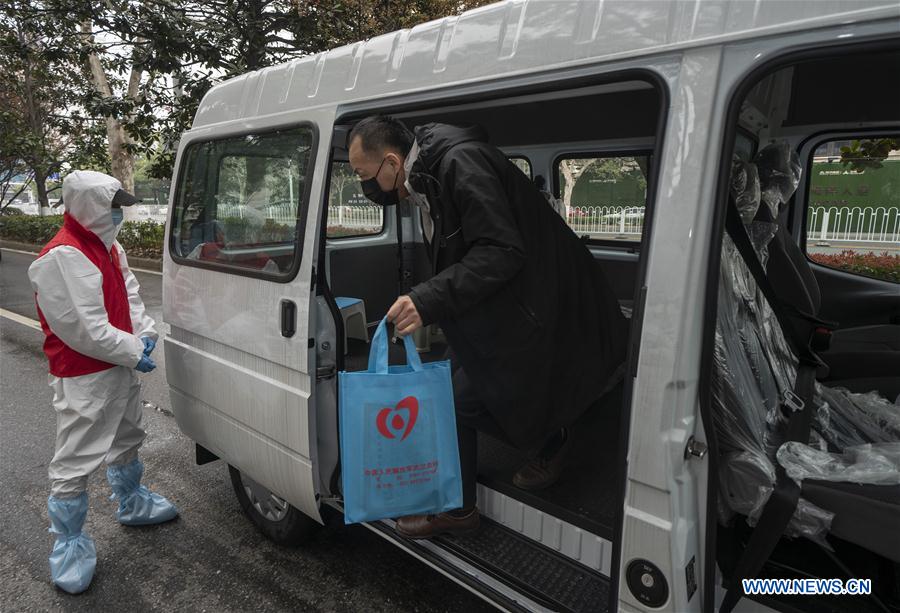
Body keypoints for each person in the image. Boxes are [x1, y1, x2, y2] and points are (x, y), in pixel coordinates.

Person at [348, 116, 627, 538]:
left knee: (457, 402)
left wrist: (426, 299)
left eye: (363, 175)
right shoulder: (429, 176)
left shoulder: (460, 164)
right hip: (509, 303)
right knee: (448, 386)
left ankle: (463, 510)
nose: (364, 186)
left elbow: (500, 251)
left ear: (390, 162)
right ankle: (552, 433)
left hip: (536, 307)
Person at [27, 171, 178, 594]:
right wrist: (133, 350)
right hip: (84, 375)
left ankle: (132, 501)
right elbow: (83, 329)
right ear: (87, 205)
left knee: (128, 432)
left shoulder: (108, 245)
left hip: (119, 364)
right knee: (77, 455)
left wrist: (145, 333)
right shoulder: (62, 256)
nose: (118, 213)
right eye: (111, 204)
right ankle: (69, 544)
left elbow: (130, 295)